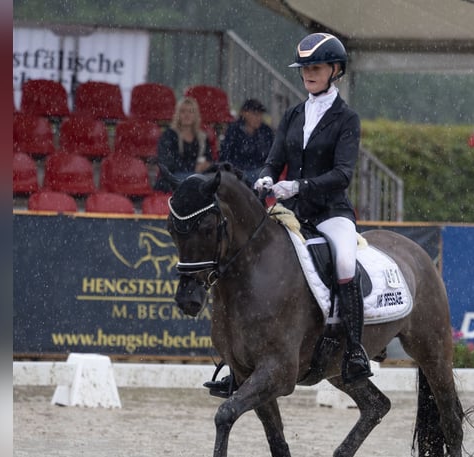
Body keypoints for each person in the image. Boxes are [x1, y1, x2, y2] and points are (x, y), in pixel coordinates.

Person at [205, 32, 371, 397]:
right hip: (292, 213)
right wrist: (266, 175)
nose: (308, 74)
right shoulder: (295, 114)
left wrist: (299, 186)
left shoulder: (347, 119)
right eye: (304, 68)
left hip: (330, 212)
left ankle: (355, 352)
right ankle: (236, 362)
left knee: (344, 262)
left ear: (335, 70)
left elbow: (343, 174)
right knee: (251, 259)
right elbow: (274, 158)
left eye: (316, 67)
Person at [154, 96, 213, 191]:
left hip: (196, 177)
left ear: (196, 115)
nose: (187, 115)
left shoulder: (202, 137)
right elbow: (168, 164)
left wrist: (206, 165)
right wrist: (194, 167)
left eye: (191, 111)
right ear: (178, 114)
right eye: (183, 111)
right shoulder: (169, 135)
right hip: (173, 179)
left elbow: (209, 158)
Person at [219, 98, 274, 187]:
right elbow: (226, 154)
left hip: (259, 171)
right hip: (238, 172)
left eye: (260, 114)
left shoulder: (266, 131)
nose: (259, 118)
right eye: (255, 114)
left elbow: (271, 155)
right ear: (244, 113)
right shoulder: (234, 130)